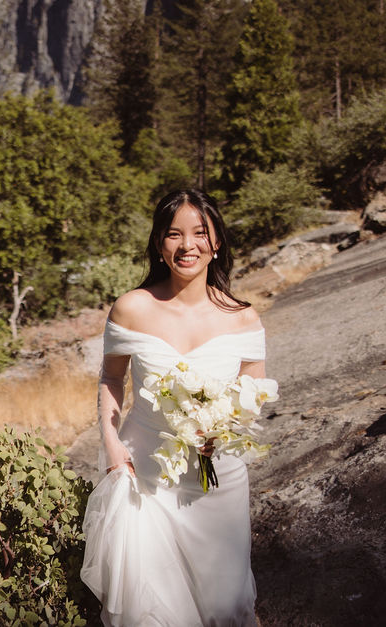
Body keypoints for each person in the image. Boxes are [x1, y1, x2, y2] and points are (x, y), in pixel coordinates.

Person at [80, 188, 266, 626]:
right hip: (145, 477)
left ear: (216, 241)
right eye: (174, 234)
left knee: (225, 607)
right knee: (152, 609)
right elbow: (111, 377)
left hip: (217, 480)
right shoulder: (131, 308)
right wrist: (111, 446)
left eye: (200, 233)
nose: (188, 245)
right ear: (159, 244)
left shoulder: (243, 318)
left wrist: (223, 429)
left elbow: (254, 393)